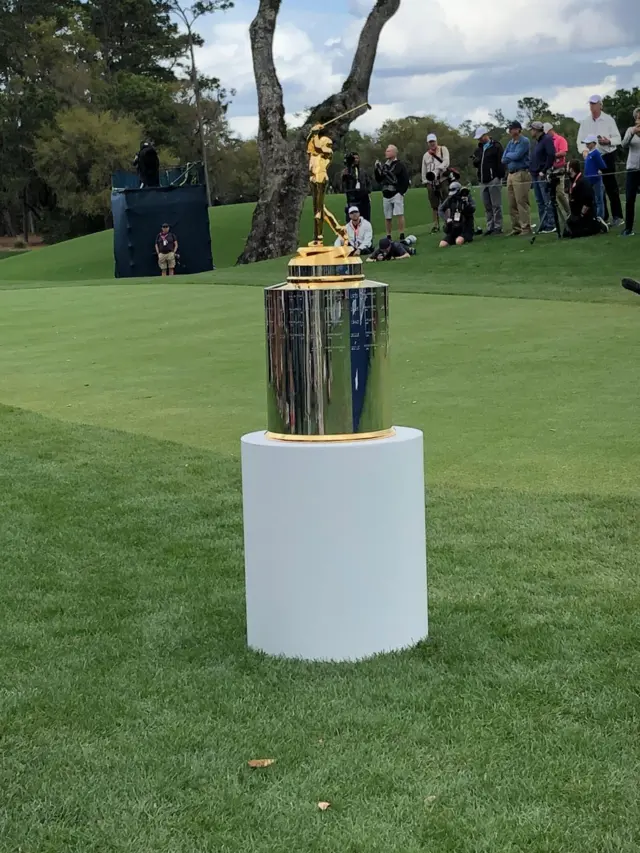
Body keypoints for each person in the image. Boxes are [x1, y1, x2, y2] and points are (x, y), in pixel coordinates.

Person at [577, 95, 623, 226]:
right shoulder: (585, 121)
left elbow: (617, 139)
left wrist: (608, 141)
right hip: (592, 157)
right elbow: (580, 141)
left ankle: (617, 216)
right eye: (590, 104)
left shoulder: (608, 120)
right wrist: (584, 151)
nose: (592, 106)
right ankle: (603, 217)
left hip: (607, 155)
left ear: (600, 105)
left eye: (594, 104)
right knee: (596, 188)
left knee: (611, 186)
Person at [563, 160, 608, 239]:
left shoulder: (583, 182)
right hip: (575, 213)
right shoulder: (572, 180)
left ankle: (598, 225)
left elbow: (588, 201)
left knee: (576, 234)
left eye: (567, 167)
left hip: (585, 214)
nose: (566, 169)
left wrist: (581, 215)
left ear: (571, 169)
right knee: (567, 232)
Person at [472, 127, 505, 235]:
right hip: (482, 180)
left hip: (493, 179)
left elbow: (501, 162)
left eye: (481, 137)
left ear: (486, 135)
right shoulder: (479, 149)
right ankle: (490, 227)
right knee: (487, 206)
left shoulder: (496, 146)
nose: (479, 140)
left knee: (496, 204)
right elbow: (476, 163)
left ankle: (498, 226)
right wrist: (475, 161)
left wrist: (499, 176)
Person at [501, 120, 532, 236]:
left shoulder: (524, 141)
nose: (510, 131)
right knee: (511, 202)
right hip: (511, 173)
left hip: (521, 173)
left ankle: (526, 228)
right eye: (509, 129)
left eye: (512, 128)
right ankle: (516, 227)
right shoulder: (510, 143)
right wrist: (510, 156)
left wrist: (510, 155)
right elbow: (503, 158)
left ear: (518, 129)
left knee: (521, 201)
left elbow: (518, 155)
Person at [374, 145, 410, 240]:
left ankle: (401, 233)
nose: (386, 153)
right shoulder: (384, 166)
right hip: (386, 193)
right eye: (386, 151)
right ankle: (388, 235)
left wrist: (401, 192)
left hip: (396, 193)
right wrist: (376, 170)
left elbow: (405, 179)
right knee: (387, 216)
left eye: (389, 151)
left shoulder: (399, 165)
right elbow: (379, 179)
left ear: (394, 153)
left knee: (399, 214)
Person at [529, 121, 556, 233]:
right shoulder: (537, 142)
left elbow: (551, 155)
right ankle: (543, 224)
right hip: (535, 174)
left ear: (536, 130)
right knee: (539, 201)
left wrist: (544, 170)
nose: (531, 131)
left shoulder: (547, 139)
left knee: (546, 200)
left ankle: (551, 224)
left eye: (532, 129)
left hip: (542, 174)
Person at [421, 133, 451, 233]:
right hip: (431, 181)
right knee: (434, 204)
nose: (432, 144)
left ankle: (448, 222)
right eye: (430, 142)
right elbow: (424, 169)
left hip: (442, 178)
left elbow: (446, 161)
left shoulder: (443, 149)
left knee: (446, 200)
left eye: (433, 141)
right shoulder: (426, 155)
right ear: (428, 143)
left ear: (436, 141)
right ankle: (436, 224)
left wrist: (439, 169)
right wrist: (425, 181)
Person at [543, 121, 570, 225]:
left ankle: (569, 212)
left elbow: (563, 152)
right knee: (551, 195)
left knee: (560, 193)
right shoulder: (546, 141)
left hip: (559, 168)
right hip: (550, 169)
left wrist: (552, 155)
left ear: (550, 130)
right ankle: (556, 219)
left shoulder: (560, 139)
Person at [437, 181, 476, 247]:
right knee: (442, 244)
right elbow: (440, 209)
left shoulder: (467, 197)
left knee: (458, 241)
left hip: (466, 227)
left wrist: (466, 203)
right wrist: (446, 219)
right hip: (454, 227)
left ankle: (464, 238)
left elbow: (473, 209)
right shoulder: (450, 199)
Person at [620, 107, 640, 237]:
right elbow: (624, 144)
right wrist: (633, 132)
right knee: (630, 200)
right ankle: (628, 228)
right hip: (632, 169)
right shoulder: (630, 130)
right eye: (638, 117)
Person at [582, 135, 608, 221]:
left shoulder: (596, 153)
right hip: (589, 180)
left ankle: (600, 218)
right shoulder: (589, 153)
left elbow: (603, 165)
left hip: (596, 180)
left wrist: (599, 170)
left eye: (589, 143)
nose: (587, 145)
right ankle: (594, 216)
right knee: (593, 199)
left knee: (599, 199)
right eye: (586, 143)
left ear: (594, 143)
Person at [341, 153, 372, 223]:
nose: (356, 160)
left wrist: (368, 191)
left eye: (357, 158)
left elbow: (368, 183)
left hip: (364, 198)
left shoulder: (363, 172)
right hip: (353, 199)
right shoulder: (346, 171)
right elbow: (343, 185)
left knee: (365, 220)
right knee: (353, 221)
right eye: (354, 158)